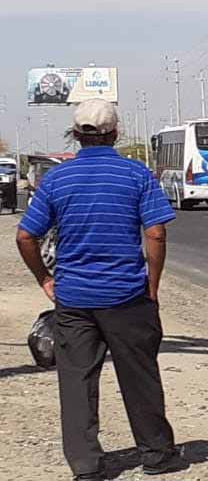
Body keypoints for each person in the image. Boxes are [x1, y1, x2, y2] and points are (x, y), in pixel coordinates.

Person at [15, 99, 183, 480]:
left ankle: (86, 466)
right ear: (115, 133)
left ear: (75, 136)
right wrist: (152, 286)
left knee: (76, 383)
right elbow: (155, 232)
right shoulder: (136, 175)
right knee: (140, 376)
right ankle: (157, 455)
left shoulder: (57, 179)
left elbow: (26, 236)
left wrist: (45, 278)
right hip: (127, 296)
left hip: (73, 300)